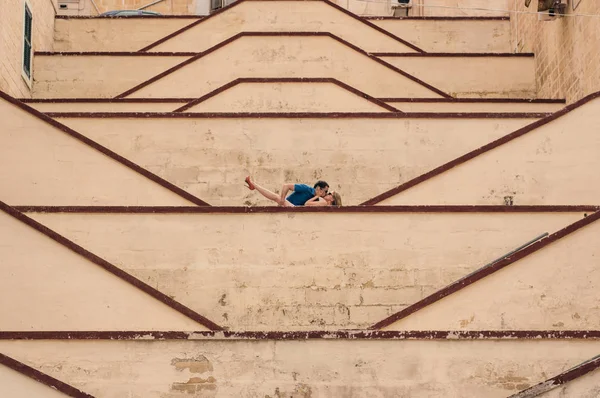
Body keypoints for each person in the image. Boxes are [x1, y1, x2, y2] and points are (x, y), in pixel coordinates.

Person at [245, 176, 341, 207]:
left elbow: (307, 204)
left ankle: (254, 185)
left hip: (294, 208)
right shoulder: (306, 189)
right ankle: (253, 185)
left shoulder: (321, 201)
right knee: (277, 197)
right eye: (326, 191)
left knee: (275, 197)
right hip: (291, 206)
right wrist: (282, 200)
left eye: (328, 192)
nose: (326, 194)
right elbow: (286, 186)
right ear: (319, 189)